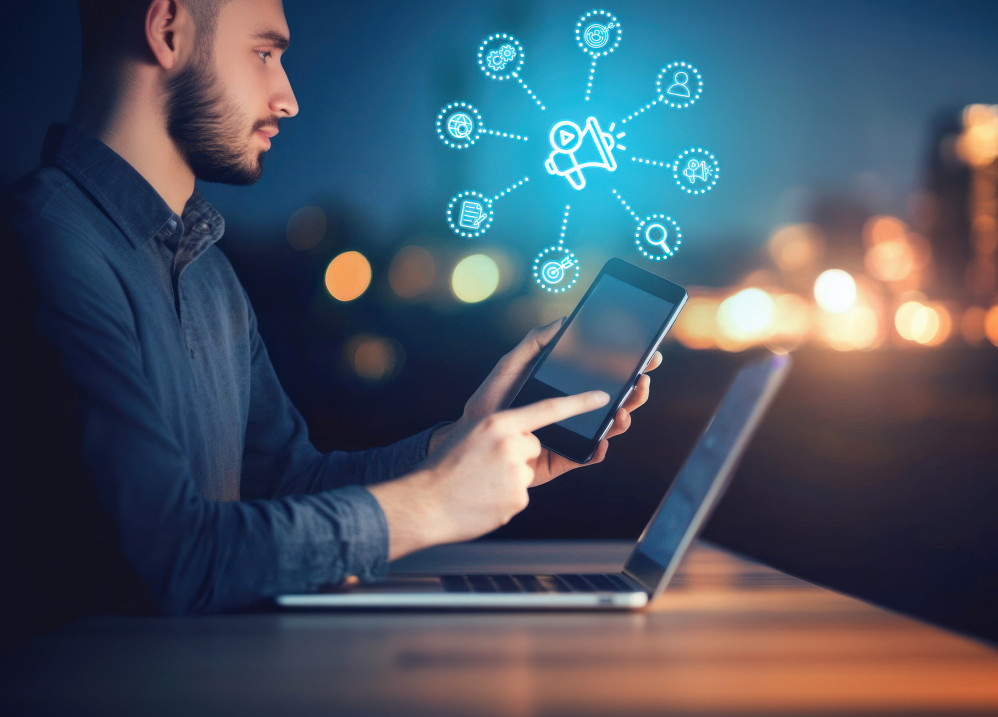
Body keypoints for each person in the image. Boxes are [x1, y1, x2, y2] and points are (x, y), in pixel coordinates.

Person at [1, 0, 660, 630]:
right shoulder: (43, 246)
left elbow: (286, 486)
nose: (288, 97)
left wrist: (456, 444)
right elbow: (175, 556)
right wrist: (432, 506)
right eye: (264, 52)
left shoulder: (207, 272)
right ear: (167, 29)